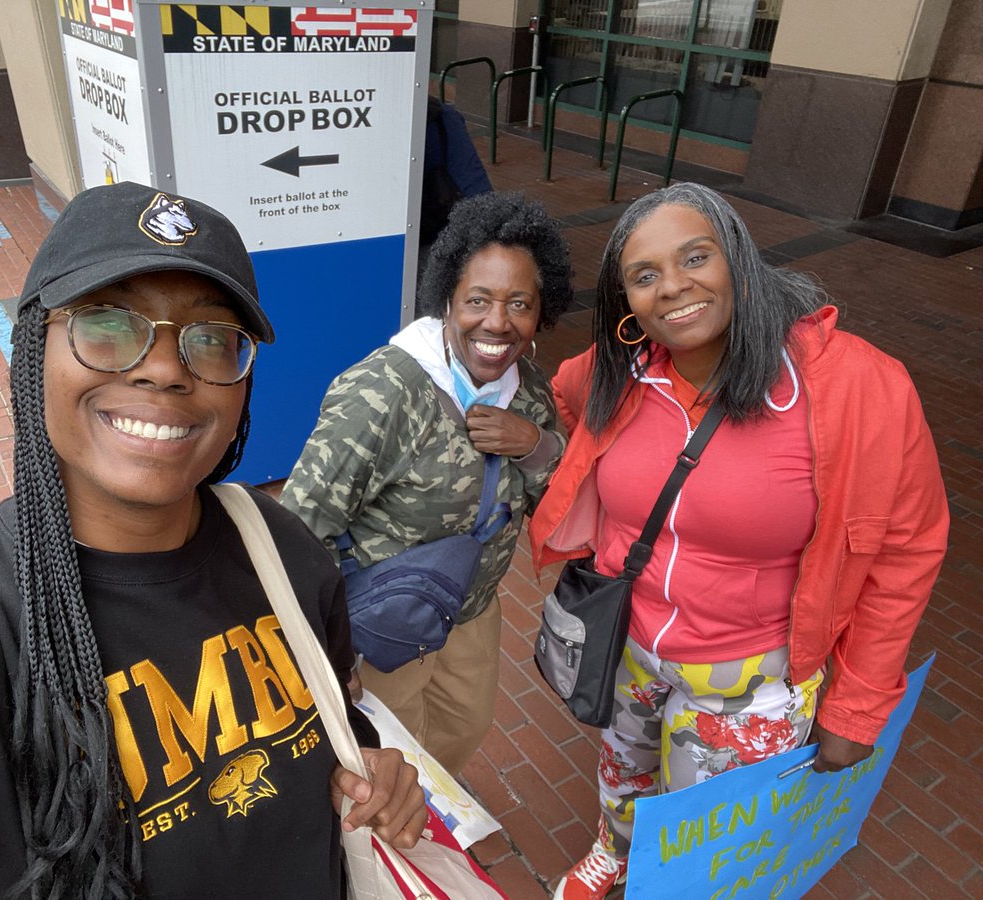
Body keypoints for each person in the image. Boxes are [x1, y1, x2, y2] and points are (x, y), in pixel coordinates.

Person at [0, 182, 426, 899]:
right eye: (108, 324)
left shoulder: (282, 549)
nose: (164, 368)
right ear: (36, 347)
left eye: (211, 340)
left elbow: (332, 721)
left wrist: (371, 767)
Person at [529, 182, 949, 899]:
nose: (674, 288)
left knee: (713, 844)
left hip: (748, 682)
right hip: (627, 645)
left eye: (696, 256)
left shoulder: (855, 387)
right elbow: (558, 401)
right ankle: (616, 848)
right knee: (624, 765)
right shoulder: (617, 369)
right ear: (625, 301)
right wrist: (532, 438)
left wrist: (857, 707)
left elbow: (905, 551)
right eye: (645, 275)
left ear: (739, 260)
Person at [280, 191, 574, 775]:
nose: (498, 322)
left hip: (471, 609)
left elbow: (563, 504)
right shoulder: (384, 392)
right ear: (447, 301)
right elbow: (299, 529)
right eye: (478, 300)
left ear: (542, 313)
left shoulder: (531, 392)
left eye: (520, 303)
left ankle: (435, 817)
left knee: (465, 726)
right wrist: (329, 650)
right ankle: (396, 847)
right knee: (390, 756)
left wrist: (534, 444)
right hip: (380, 619)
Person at [418, 97, 493, 266]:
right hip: (440, 239)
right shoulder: (444, 118)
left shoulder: (442, 119)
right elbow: (480, 193)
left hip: (422, 245)